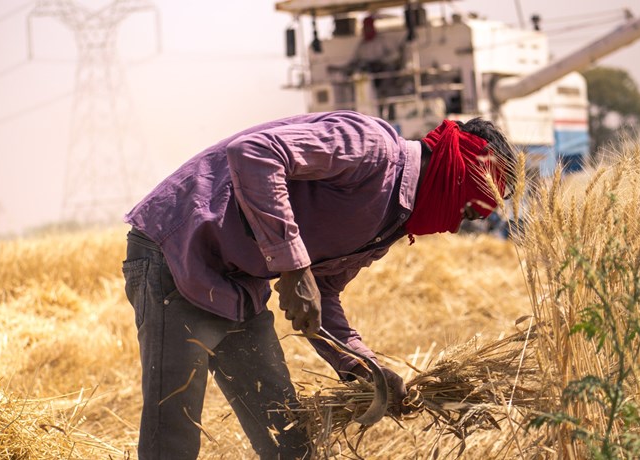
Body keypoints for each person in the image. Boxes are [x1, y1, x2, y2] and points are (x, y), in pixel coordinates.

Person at [121, 110, 515, 459]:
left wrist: (362, 365)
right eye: (467, 210)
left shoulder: (391, 221)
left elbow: (320, 292)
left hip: (239, 284)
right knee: (172, 439)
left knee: (289, 441)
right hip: (176, 253)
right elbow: (255, 153)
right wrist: (293, 268)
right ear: (457, 172)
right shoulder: (371, 146)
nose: (455, 226)